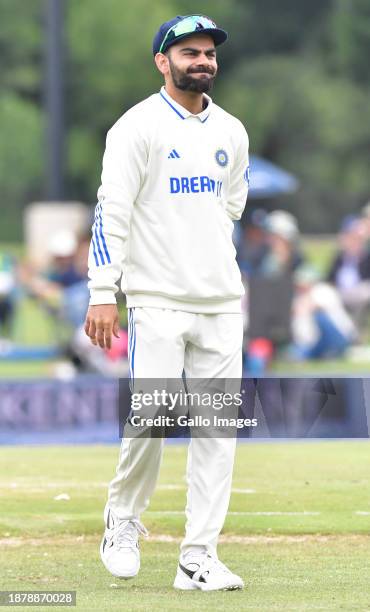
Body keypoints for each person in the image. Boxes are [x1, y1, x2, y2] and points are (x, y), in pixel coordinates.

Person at [84, 14, 249, 591]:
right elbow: (112, 211)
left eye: (208, 53)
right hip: (155, 299)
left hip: (222, 302)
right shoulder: (137, 127)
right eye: (189, 53)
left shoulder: (232, 130)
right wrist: (104, 292)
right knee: (152, 418)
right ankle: (122, 522)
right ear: (163, 62)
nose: (202, 61)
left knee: (216, 433)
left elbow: (231, 206)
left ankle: (197, 556)